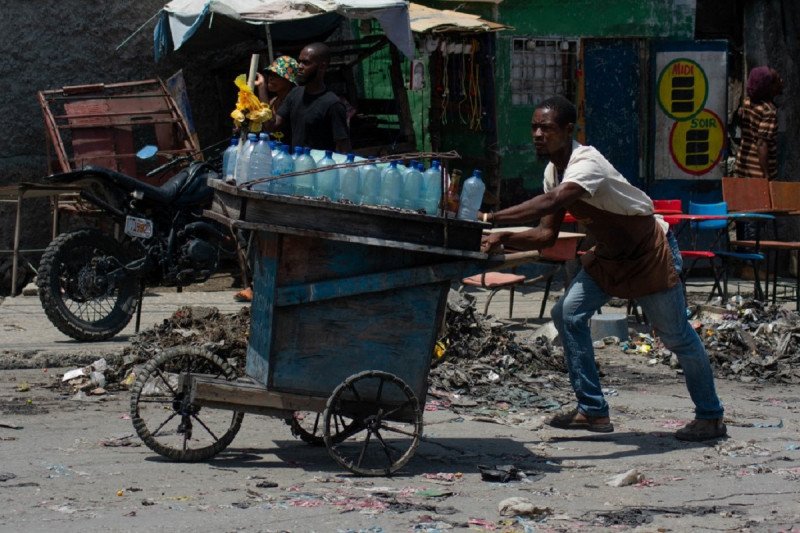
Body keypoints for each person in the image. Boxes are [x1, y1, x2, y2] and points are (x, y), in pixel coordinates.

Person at [480, 96, 726, 442]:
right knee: (568, 314)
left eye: (546, 128)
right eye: (534, 127)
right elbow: (546, 235)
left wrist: (491, 217)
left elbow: (552, 203)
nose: (537, 134)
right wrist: (501, 238)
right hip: (610, 256)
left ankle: (710, 415)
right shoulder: (553, 171)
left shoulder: (586, 162)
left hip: (647, 254)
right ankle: (592, 410)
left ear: (567, 131)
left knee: (677, 337)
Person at [268, 42, 352, 153]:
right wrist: (255, 107)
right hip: (297, 165)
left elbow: (343, 147)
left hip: (318, 168)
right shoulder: (294, 94)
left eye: (306, 63)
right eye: (300, 62)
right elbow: (273, 125)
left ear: (322, 66)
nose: (300, 67)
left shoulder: (332, 104)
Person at [733, 66, 783, 180]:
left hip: (742, 168)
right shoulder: (768, 111)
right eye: (778, 80)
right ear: (769, 88)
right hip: (758, 174)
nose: (782, 81)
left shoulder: (747, 102)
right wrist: (766, 175)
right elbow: (761, 143)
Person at [254, 55, 300, 143]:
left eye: (276, 75)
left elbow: (270, 127)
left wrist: (262, 88)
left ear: (289, 80)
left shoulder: (294, 102)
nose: (270, 78)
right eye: (270, 74)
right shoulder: (273, 102)